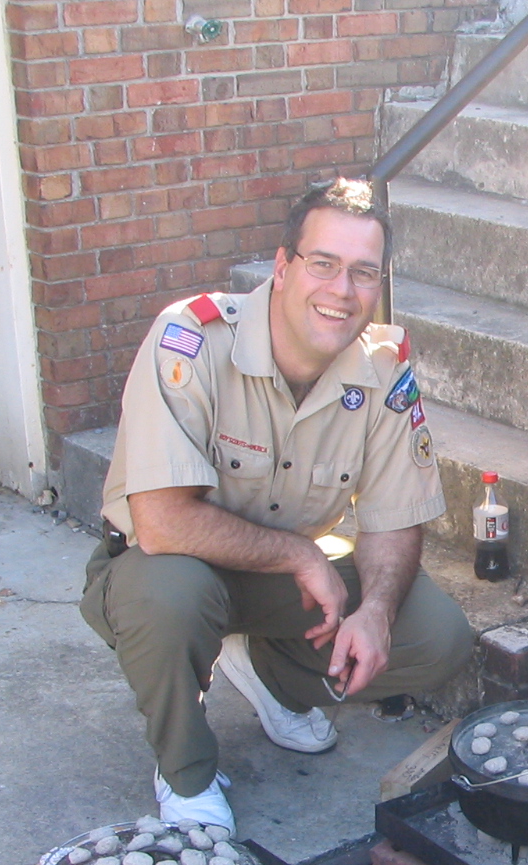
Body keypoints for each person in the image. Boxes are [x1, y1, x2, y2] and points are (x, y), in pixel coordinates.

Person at [81, 178, 474, 832]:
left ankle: (266, 672)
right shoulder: (190, 339)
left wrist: (375, 612)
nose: (342, 290)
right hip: (163, 567)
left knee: (437, 636)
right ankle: (185, 772)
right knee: (171, 597)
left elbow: (397, 518)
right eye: (323, 264)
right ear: (284, 267)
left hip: (275, 586)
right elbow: (161, 521)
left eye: (363, 273)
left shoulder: (382, 370)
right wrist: (300, 556)